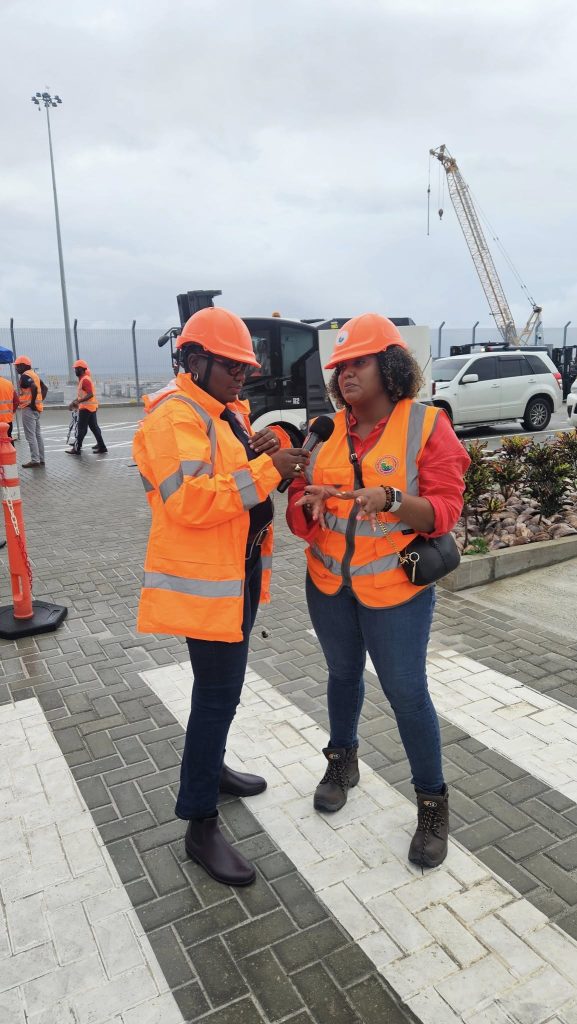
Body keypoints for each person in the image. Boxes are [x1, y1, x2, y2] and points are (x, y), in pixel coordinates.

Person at [133, 306, 309, 887]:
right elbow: (190, 500)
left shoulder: (224, 410)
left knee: (222, 696)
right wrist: (267, 470)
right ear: (194, 361)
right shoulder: (174, 416)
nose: (242, 377)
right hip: (209, 586)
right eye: (231, 367)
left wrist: (265, 447)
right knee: (216, 697)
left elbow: (231, 469)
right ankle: (199, 821)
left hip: (238, 573)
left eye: (245, 369)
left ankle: (213, 772)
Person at [287, 313, 470, 869]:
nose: (345, 374)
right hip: (328, 585)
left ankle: (432, 805)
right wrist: (307, 505)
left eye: (358, 363)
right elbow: (299, 512)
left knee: (407, 695)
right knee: (342, 676)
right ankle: (342, 761)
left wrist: (390, 499)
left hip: (396, 594)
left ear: (390, 366)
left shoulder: (426, 425)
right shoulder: (323, 431)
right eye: (340, 365)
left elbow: (444, 511)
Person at [66, 359, 108, 455]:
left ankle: (77, 448)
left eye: (76, 369)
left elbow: (90, 394)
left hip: (86, 408)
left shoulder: (85, 380)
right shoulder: (83, 380)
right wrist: (74, 402)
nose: (75, 370)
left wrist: (78, 402)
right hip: (89, 407)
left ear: (81, 369)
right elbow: (82, 395)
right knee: (94, 428)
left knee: (81, 429)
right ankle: (102, 447)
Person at [14, 356, 45, 468]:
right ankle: (41, 459)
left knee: (30, 436)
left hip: (28, 408)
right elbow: (44, 388)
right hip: (36, 409)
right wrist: (38, 401)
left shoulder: (25, 376)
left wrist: (32, 403)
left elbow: (34, 387)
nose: (16, 368)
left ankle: (35, 460)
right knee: (37, 435)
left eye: (18, 366)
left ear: (24, 365)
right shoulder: (34, 374)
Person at [0, 373, 19, 442]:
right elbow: (16, 401)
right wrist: (10, 412)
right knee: (8, 440)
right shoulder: (9, 384)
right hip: (7, 420)